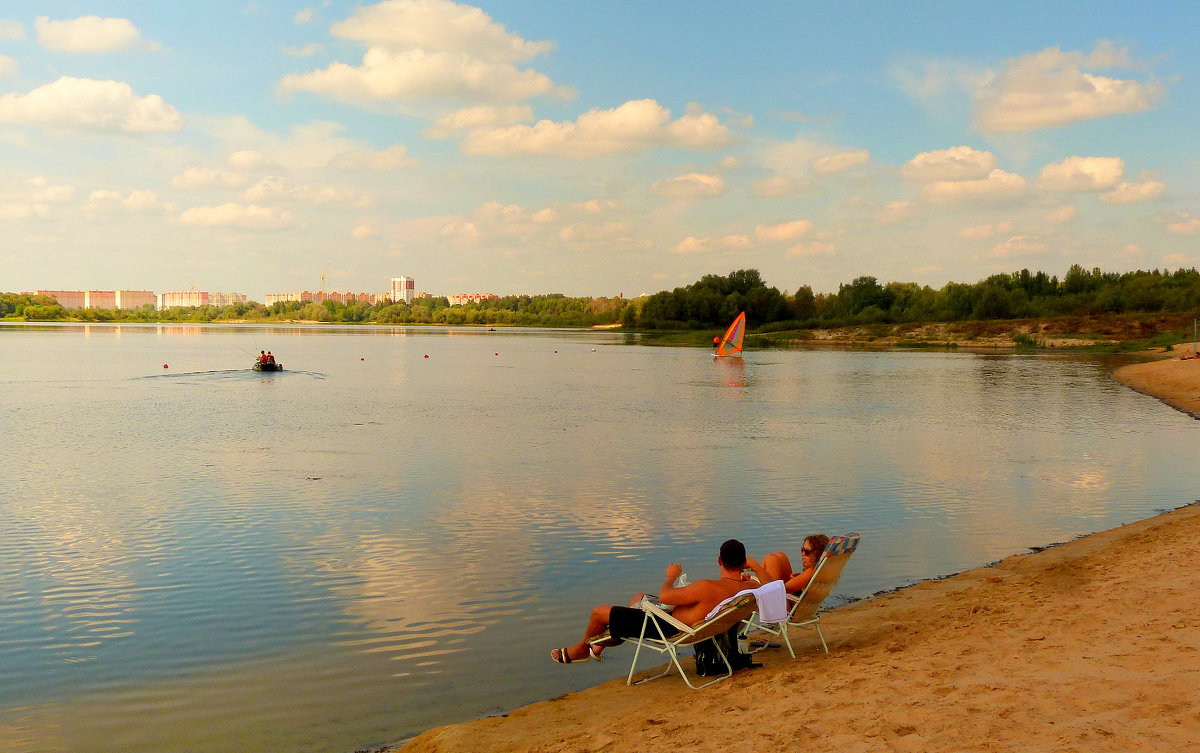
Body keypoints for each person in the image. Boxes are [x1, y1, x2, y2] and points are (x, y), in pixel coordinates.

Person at [550, 539, 751, 664]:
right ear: (744, 563)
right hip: (682, 622)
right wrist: (756, 568)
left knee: (598, 612)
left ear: (718, 560)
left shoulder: (708, 586)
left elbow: (664, 596)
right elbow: (773, 586)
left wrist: (671, 576)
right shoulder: (748, 588)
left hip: (667, 626)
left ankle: (581, 649)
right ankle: (602, 644)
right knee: (639, 597)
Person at [745, 534, 830, 595]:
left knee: (771, 558)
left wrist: (753, 583)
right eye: (802, 550)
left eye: (807, 551)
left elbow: (778, 591)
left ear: (818, 554)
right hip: (792, 602)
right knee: (780, 556)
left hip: (783, 609)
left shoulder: (811, 572)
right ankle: (754, 574)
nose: (802, 554)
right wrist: (798, 580)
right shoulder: (820, 571)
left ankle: (748, 573)